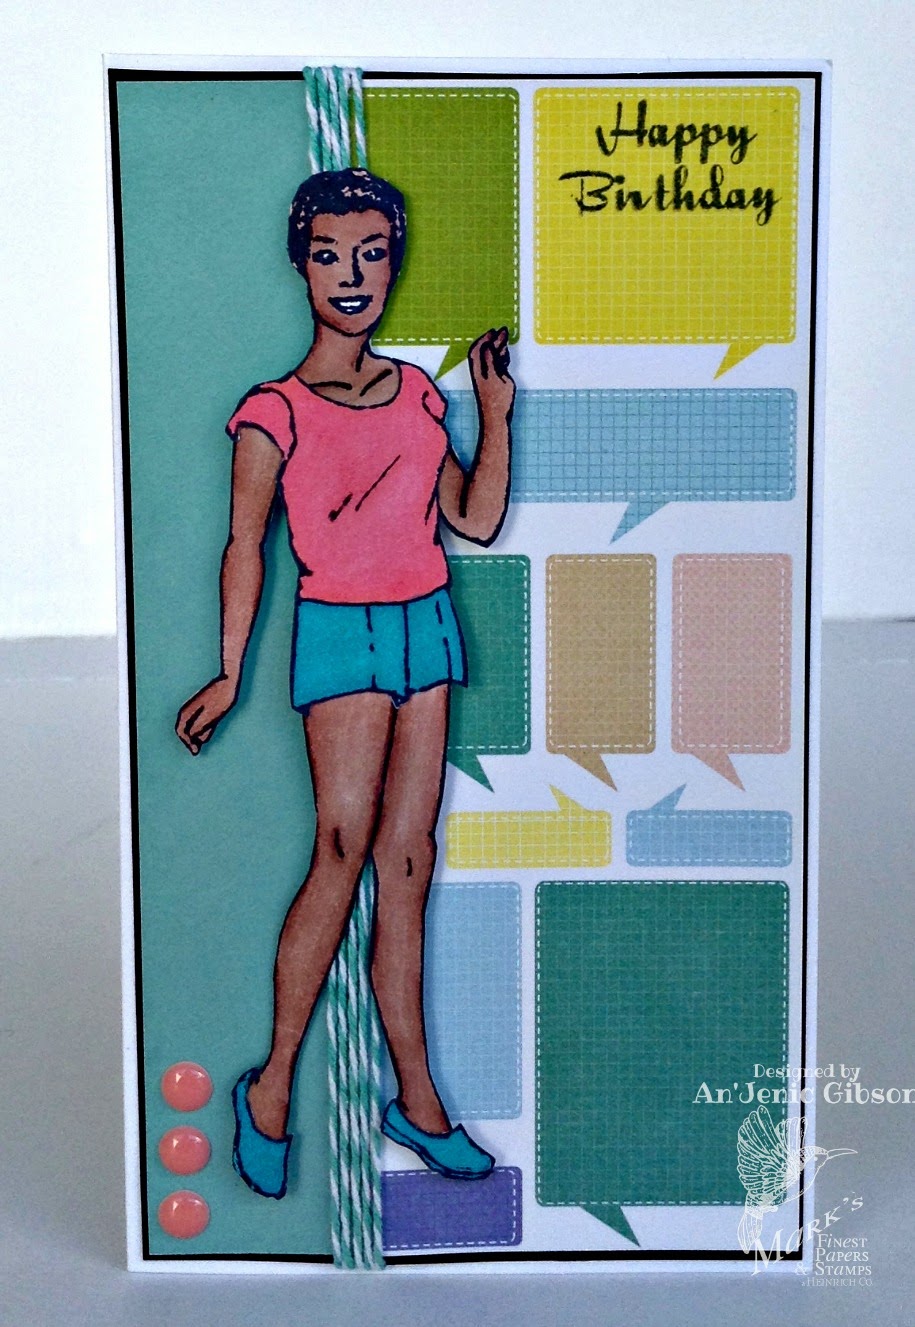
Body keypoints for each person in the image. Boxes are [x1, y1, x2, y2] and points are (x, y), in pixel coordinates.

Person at [175, 167, 514, 1198]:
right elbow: (245, 547)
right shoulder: (272, 411)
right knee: (340, 846)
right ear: (302, 266)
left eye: (372, 253)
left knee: (409, 859)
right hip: (340, 633)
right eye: (330, 255)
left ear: (394, 263)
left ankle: (416, 1100)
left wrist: (495, 413)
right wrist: (230, 671)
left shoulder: (416, 392)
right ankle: (273, 1084)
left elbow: (474, 519)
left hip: (426, 624)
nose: (353, 274)